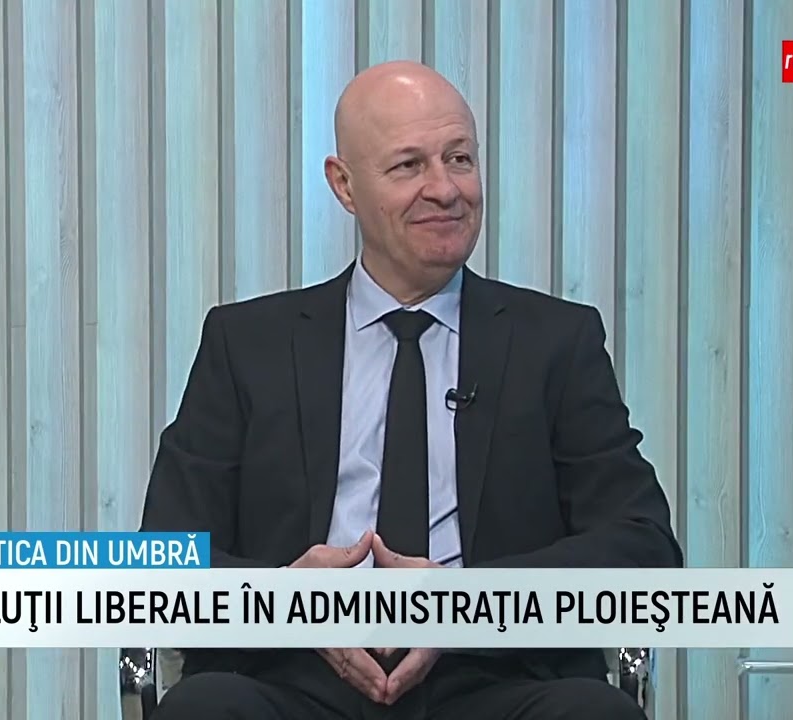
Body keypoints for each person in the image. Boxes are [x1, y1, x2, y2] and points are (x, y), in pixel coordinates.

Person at [140, 60, 682, 720]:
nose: (445, 189)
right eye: (408, 166)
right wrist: (282, 598)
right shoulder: (246, 344)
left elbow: (643, 545)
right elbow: (163, 561)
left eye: (460, 159)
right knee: (206, 709)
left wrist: (465, 603)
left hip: (493, 677)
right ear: (344, 185)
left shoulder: (556, 342)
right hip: (295, 679)